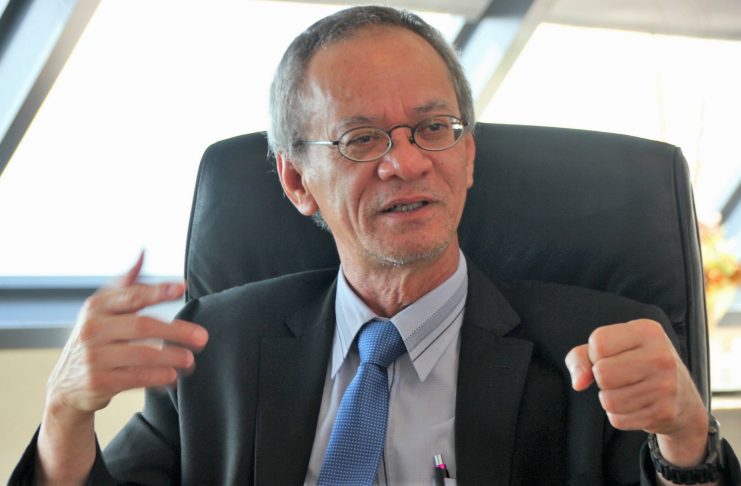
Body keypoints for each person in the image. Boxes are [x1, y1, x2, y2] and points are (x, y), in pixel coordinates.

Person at [11, 6, 740, 486]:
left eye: (433, 128)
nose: (406, 162)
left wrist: (685, 438)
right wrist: (65, 415)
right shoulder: (215, 348)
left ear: (468, 155)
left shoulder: (599, 346)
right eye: (360, 139)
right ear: (297, 182)